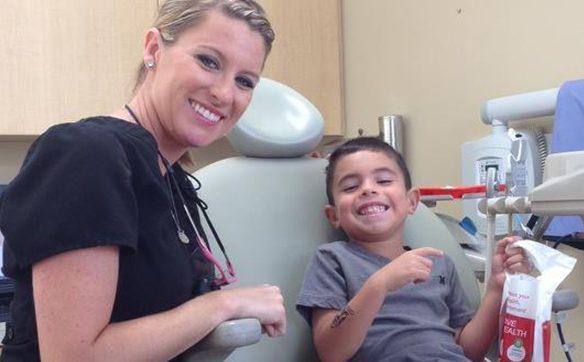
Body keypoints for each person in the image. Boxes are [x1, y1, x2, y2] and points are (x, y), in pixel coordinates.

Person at [0, 1, 286, 360]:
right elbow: (74, 356)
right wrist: (220, 305)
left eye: (244, 81)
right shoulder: (86, 154)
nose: (225, 94)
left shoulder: (170, 176)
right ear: (154, 50)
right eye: (208, 61)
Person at [296, 137, 529, 361]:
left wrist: (497, 289)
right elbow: (331, 352)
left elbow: (468, 351)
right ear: (333, 215)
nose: (367, 189)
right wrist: (379, 285)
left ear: (412, 201)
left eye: (384, 181)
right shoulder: (332, 259)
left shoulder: (438, 263)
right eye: (351, 186)